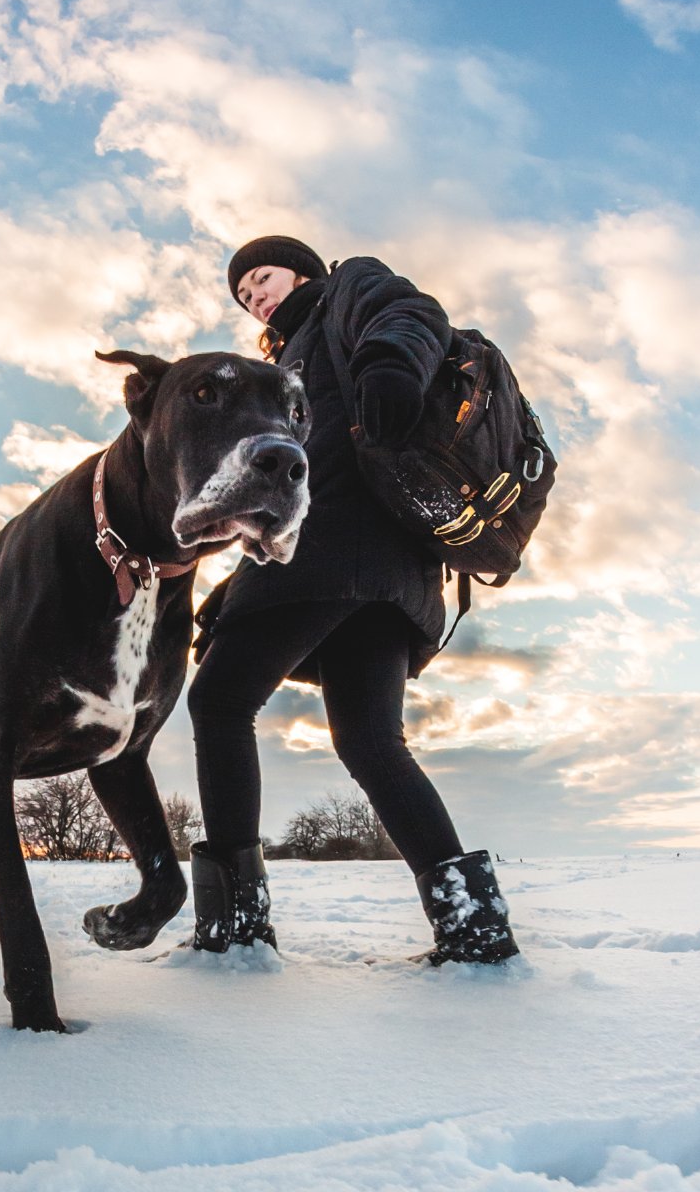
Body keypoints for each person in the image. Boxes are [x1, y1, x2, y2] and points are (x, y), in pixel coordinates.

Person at [185, 235, 520, 965]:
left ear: (299, 269)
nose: (256, 297)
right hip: (382, 568)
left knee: (218, 700)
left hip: (338, 543)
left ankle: (235, 932)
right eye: (244, 296)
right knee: (369, 742)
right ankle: (474, 931)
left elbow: (409, 312)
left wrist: (391, 365)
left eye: (262, 279)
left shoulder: (347, 290)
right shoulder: (281, 365)